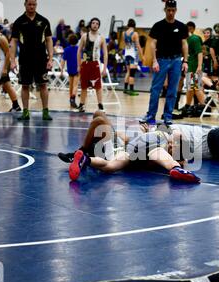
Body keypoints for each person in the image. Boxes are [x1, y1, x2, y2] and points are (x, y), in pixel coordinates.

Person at [57, 111, 200, 183]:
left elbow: (176, 139)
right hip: (126, 147)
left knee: (111, 165)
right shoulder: (159, 135)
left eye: (173, 146)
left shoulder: (161, 145)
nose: (171, 144)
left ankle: (83, 154)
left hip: (124, 149)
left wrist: (179, 161)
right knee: (99, 115)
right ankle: (85, 158)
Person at [140, 0, 188, 126]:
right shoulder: (158, 25)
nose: (171, 12)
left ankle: (168, 116)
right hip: (161, 60)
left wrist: (185, 61)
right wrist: (154, 61)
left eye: (173, 10)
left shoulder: (181, 26)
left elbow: (184, 44)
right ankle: (150, 115)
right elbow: (152, 43)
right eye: (168, 10)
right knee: (155, 89)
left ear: (176, 10)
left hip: (177, 60)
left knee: (172, 90)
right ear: (165, 10)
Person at [10, 0, 54, 121]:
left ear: (36, 5)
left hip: (41, 59)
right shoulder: (19, 22)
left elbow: (49, 40)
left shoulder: (44, 21)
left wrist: (50, 58)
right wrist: (12, 60)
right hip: (25, 59)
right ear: (25, 5)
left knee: (43, 85)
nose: (31, 6)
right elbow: (13, 41)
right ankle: (25, 112)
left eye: (34, 4)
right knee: (25, 86)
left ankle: (45, 111)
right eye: (29, 4)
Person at [76, 17, 108, 113]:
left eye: (97, 23)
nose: (95, 25)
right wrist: (79, 65)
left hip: (95, 64)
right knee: (84, 86)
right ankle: (82, 105)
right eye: (93, 23)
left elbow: (105, 53)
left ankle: (100, 106)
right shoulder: (84, 36)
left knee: (97, 86)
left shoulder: (101, 38)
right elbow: (79, 51)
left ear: (99, 26)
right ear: (90, 24)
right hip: (85, 64)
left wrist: (105, 68)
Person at [181, 21, 205, 117]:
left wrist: (199, 66)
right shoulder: (186, 40)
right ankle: (187, 105)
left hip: (195, 67)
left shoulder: (194, 39)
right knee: (189, 88)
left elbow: (200, 52)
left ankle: (204, 107)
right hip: (190, 66)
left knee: (196, 88)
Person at [123, 19, 144, 96]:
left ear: (128, 25)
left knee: (128, 72)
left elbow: (125, 44)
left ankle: (125, 89)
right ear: (134, 25)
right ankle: (131, 90)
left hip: (126, 54)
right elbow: (138, 45)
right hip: (133, 54)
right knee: (132, 74)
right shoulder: (135, 34)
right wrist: (142, 55)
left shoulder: (123, 33)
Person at [60, 33, 80, 108]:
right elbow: (81, 59)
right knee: (75, 85)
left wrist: (61, 70)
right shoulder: (79, 49)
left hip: (70, 69)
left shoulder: (66, 50)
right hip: (77, 68)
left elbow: (63, 60)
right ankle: (73, 98)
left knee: (71, 86)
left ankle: (70, 100)